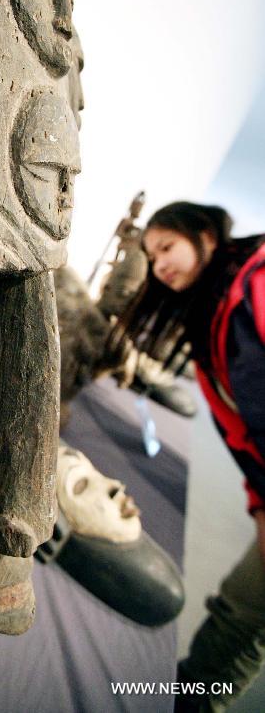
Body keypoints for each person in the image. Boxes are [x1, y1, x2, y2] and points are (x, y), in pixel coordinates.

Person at [117, 200, 265, 711]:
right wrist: (260, 505)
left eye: (167, 247)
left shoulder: (257, 280)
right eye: (151, 256)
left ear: (203, 234)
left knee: (241, 617)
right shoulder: (211, 320)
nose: (159, 265)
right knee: (240, 615)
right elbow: (243, 432)